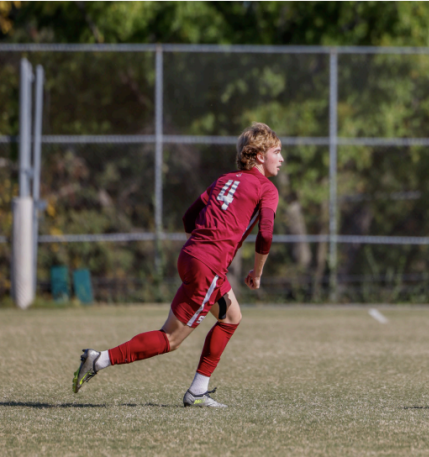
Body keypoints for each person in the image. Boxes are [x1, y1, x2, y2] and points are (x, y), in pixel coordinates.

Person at [72, 123, 284, 408]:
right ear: (259, 156)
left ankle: (198, 389)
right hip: (207, 266)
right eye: (276, 152)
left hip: (191, 257)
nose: (281, 159)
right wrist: (256, 274)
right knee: (170, 339)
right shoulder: (266, 188)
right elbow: (267, 233)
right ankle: (100, 360)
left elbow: (189, 217)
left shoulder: (224, 180)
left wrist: (199, 249)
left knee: (232, 316)